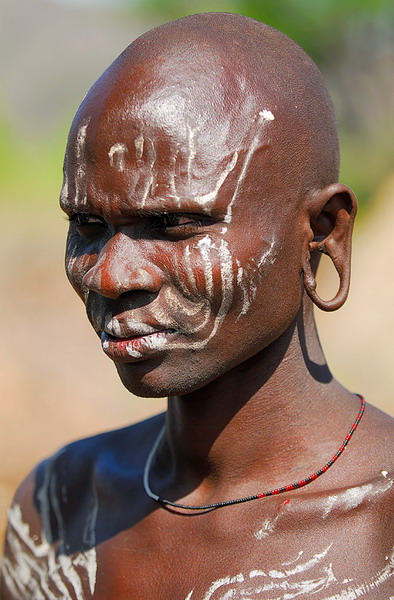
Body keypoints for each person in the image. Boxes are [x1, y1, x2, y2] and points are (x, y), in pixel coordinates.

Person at [1, 12, 393, 600]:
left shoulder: (381, 530)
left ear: (322, 231)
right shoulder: (59, 514)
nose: (111, 276)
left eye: (173, 223)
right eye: (87, 224)